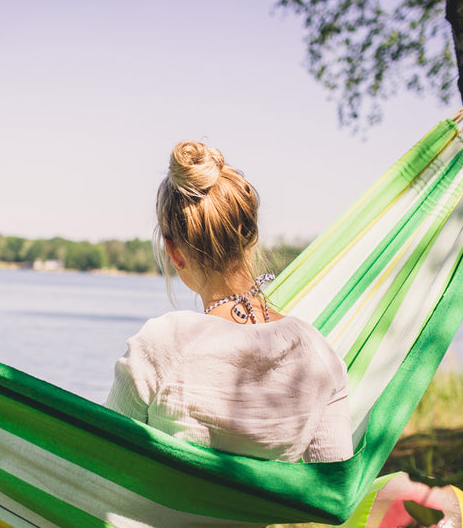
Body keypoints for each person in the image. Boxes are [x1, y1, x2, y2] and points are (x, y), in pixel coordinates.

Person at [105, 140, 352, 463]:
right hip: (260, 515)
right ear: (250, 236)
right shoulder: (317, 355)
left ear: (174, 252)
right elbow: (331, 490)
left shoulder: (163, 345)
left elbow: (103, 462)